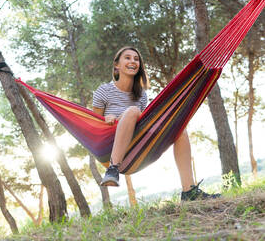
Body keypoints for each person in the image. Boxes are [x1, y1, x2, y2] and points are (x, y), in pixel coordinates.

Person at [92, 46, 220, 201]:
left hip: (136, 148)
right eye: (127, 57)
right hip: (110, 149)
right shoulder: (104, 90)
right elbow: (94, 125)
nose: (133, 61)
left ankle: (189, 192)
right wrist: (106, 119)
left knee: (180, 130)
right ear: (117, 66)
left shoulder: (141, 96)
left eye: (136, 58)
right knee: (133, 110)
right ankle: (113, 169)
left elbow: (144, 124)